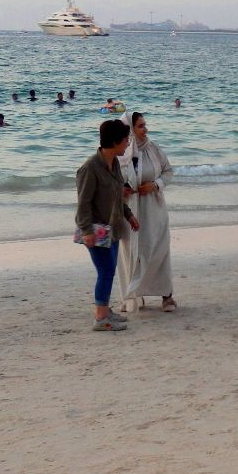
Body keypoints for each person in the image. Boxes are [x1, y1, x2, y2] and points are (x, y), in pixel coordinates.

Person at [76, 119, 140, 331]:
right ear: (114, 142)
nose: (128, 143)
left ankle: (104, 310)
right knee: (105, 271)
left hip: (112, 227)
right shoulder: (90, 168)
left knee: (109, 270)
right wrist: (86, 231)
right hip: (96, 229)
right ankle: (100, 318)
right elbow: (83, 202)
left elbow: (117, 196)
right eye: (125, 140)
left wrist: (129, 215)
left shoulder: (114, 165)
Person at [117, 112, 177, 312]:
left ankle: (166, 296)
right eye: (141, 126)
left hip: (154, 209)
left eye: (145, 125)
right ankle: (133, 296)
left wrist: (155, 185)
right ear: (130, 130)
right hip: (130, 211)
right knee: (132, 252)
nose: (145, 129)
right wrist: (121, 189)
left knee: (159, 249)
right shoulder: (120, 154)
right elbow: (110, 181)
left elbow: (168, 171)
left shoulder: (153, 149)